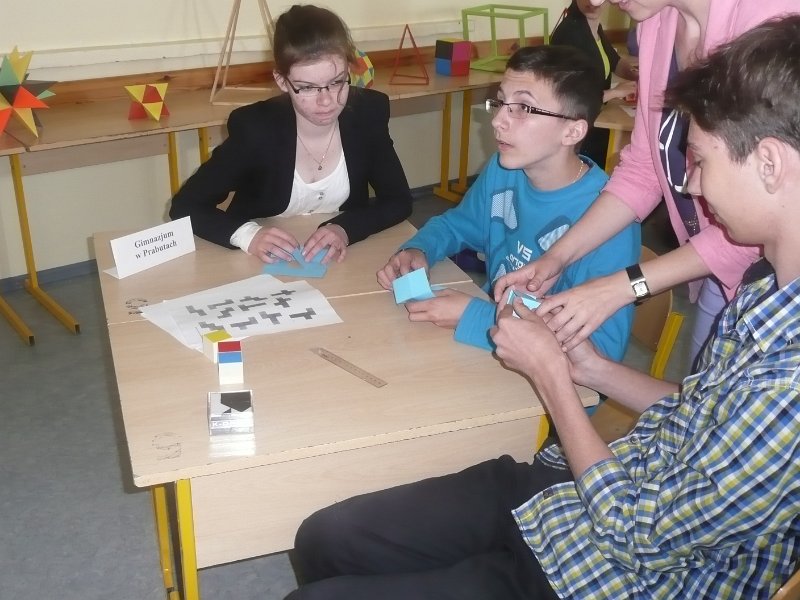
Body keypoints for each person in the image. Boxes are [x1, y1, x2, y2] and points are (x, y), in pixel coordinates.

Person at [284, 15, 800, 598]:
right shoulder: (764, 295)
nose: (690, 188)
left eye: (700, 160)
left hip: (602, 570)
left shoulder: (787, 378)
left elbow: (640, 534)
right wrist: (592, 368)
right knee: (322, 539)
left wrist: (553, 373)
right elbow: (700, 415)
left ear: (770, 163)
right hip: (576, 494)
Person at [494, 0, 798, 368]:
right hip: (720, 270)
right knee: (705, 392)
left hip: (772, 274)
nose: (599, 1)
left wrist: (622, 287)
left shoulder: (774, 18)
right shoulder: (656, 22)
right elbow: (643, 169)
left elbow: (773, 205)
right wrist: (557, 257)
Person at [376, 44, 639, 361]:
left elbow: (600, 356)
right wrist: (420, 249)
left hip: (549, 378)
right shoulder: (504, 170)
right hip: (497, 347)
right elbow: (457, 225)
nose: (498, 120)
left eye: (523, 108)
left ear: (572, 131)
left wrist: (478, 318)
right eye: (501, 102)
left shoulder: (610, 219)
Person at [169, 5, 412, 265]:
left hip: (339, 261)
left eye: (337, 82)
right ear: (282, 81)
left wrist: (345, 229)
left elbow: (398, 200)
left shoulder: (367, 114)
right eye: (307, 88)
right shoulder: (255, 129)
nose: (326, 101)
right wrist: (249, 235)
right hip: (259, 264)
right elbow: (185, 206)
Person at [550, 0, 638, 165]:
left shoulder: (593, 26)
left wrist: (638, 76)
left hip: (595, 115)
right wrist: (616, 92)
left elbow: (614, 61)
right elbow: (573, 95)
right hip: (578, 128)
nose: (592, 2)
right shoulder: (569, 33)